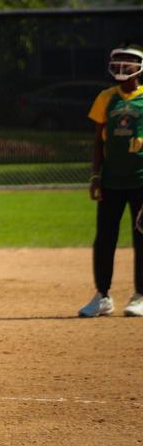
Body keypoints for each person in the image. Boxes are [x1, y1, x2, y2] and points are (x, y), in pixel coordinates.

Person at [79, 45, 143, 318]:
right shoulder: (106, 97)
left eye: (128, 62)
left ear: (139, 67)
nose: (121, 66)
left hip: (140, 181)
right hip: (110, 181)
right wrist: (95, 175)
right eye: (117, 61)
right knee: (104, 239)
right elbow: (97, 141)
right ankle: (102, 296)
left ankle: (140, 295)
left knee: (142, 238)